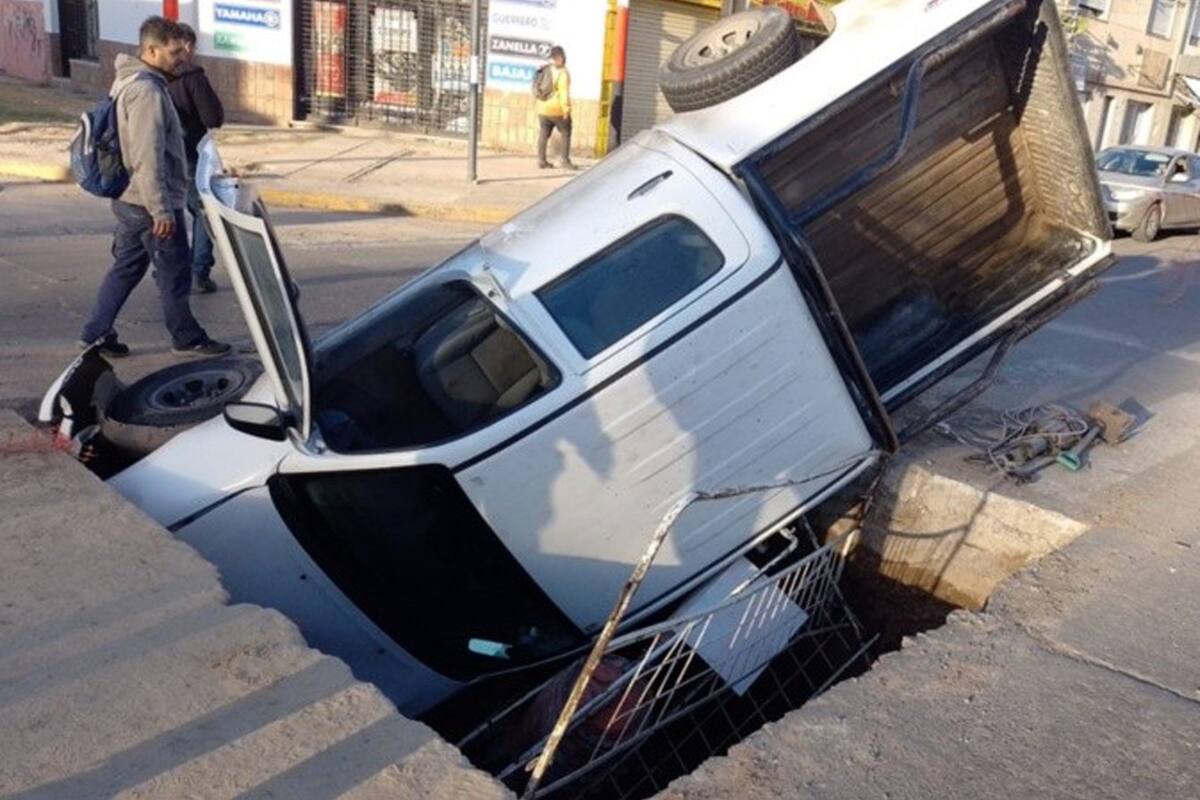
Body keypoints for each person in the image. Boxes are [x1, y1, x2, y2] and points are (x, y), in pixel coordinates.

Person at [79, 16, 229, 358]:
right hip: (149, 203)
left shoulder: (130, 80)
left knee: (127, 268)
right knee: (174, 274)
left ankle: (94, 332)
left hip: (131, 198)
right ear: (151, 50)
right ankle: (187, 338)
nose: (182, 58)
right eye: (175, 52)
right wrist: (161, 210)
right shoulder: (146, 91)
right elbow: (148, 157)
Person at [167, 22, 224, 295]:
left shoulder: (150, 76)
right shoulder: (192, 76)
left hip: (158, 155)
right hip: (188, 153)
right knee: (204, 211)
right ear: (187, 46)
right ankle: (198, 270)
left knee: (168, 212)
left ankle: (168, 270)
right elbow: (213, 117)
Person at [536, 46, 576, 171]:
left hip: (542, 108)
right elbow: (563, 93)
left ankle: (541, 160)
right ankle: (564, 159)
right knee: (566, 131)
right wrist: (566, 110)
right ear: (562, 57)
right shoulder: (563, 73)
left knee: (543, 133)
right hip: (556, 109)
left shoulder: (545, 69)